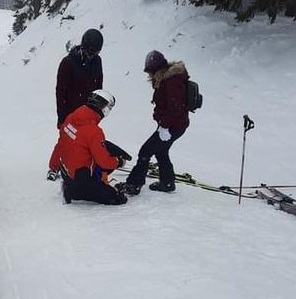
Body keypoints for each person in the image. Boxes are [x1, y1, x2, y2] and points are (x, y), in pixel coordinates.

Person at [119, 50, 190, 195]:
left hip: (172, 126)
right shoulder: (165, 78)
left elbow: (174, 107)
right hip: (174, 125)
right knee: (161, 151)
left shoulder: (172, 81)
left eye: (150, 72)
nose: (149, 75)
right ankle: (167, 182)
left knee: (145, 151)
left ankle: (134, 184)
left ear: (156, 69)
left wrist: (164, 126)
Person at [48, 89, 128, 206]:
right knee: (118, 198)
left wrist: (53, 167)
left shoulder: (71, 118)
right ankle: (76, 191)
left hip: (67, 172)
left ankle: (83, 184)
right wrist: (118, 162)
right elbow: (104, 161)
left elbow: (60, 144)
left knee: (104, 150)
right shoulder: (94, 131)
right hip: (81, 178)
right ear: (104, 108)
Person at [47, 28, 104, 181]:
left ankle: (85, 167)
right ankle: (54, 167)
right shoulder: (68, 63)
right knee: (65, 140)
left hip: (89, 111)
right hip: (71, 111)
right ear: (83, 46)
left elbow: (99, 86)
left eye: (95, 53)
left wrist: (99, 110)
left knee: (87, 141)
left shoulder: (97, 61)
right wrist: (61, 116)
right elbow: (60, 92)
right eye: (89, 52)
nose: (91, 55)